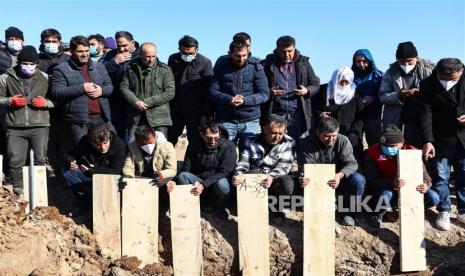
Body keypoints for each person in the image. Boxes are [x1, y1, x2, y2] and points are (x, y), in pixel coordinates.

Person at [0, 46, 53, 196]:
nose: (28, 66)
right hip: (15, 126)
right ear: (19, 62)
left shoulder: (45, 78)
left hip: (40, 125)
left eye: (32, 63)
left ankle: (38, 190)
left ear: (37, 63)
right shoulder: (6, 77)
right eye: (25, 63)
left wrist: (46, 103)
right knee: (16, 160)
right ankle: (19, 190)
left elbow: (57, 100)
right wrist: (11, 101)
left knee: (40, 159)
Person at [364, 124, 440, 228]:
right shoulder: (373, 152)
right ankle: (377, 214)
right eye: (386, 146)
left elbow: (426, 176)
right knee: (385, 195)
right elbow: (371, 180)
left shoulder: (412, 151)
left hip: (409, 189)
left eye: (393, 146)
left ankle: (407, 210)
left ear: (402, 143)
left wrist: (425, 184)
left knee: (433, 197)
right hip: (386, 189)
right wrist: (392, 182)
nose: (389, 149)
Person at [420, 57, 465, 230]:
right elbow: (425, 114)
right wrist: (428, 141)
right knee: (441, 176)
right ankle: (444, 210)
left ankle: (462, 210)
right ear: (437, 73)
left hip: (463, 137)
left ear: (460, 73)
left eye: (452, 79)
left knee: (463, 174)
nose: (447, 83)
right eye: (443, 79)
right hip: (440, 139)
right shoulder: (428, 85)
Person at [297, 116, 366, 226]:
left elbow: (352, 163)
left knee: (358, 180)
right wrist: (304, 176)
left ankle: (348, 212)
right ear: (317, 132)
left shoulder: (343, 140)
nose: (331, 140)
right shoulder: (305, 142)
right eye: (327, 136)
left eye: (334, 136)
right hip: (316, 180)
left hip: (339, 179)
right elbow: (305, 167)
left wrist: (339, 175)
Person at [50, 35, 114, 145]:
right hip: (78, 121)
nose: (84, 54)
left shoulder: (99, 67)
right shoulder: (61, 69)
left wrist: (101, 91)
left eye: (87, 50)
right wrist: (82, 88)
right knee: (82, 151)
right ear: (71, 51)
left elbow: (110, 87)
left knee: (107, 148)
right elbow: (57, 92)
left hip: (102, 118)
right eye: (80, 51)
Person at [167, 120, 237, 219]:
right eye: (209, 139)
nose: (213, 142)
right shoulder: (193, 146)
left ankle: (221, 207)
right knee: (183, 176)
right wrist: (174, 181)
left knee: (223, 184)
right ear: (202, 135)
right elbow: (186, 168)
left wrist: (204, 184)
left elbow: (225, 171)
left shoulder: (229, 146)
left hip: (216, 182)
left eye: (216, 138)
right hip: (198, 182)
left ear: (220, 133)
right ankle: (193, 206)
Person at [232, 114, 295, 224]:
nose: (277, 137)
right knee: (248, 176)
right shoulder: (249, 140)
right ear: (264, 129)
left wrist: (271, 176)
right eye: (274, 133)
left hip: (275, 176)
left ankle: (276, 209)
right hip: (256, 175)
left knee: (287, 184)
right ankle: (252, 209)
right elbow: (244, 160)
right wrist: (239, 173)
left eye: (281, 133)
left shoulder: (290, 142)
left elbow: (284, 166)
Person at [209, 40, 270, 142]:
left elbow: (264, 94)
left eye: (244, 55)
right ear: (230, 54)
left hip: (250, 120)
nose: (241, 59)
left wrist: (245, 100)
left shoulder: (255, 67)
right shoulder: (221, 66)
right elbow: (212, 91)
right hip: (226, 120)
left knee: (249, 155)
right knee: (226, 154)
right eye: (237, 56)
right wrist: (229, 99)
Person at [261, 35, 320, 139]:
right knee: (276, 143)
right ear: (277, 50)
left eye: (290, 51)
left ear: (294, 48)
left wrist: (306, 91)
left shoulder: (304, 63)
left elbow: (315, 84)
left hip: (297, 112)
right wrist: (269, 92)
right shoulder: (269, 63)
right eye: (283, 51)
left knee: (299, 143)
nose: (287, 54)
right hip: (275, 112)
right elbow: (260, 85)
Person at [63, 123, 126, 217]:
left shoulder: (119, 145)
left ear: (108, 138)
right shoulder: (84, 142)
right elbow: (69, 154)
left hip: (111, 181)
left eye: (105, 143)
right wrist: (70, 161)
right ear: (90, 142)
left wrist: (95, 170)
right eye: (98, 145)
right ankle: (84, 202)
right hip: (89, 174)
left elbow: (116, 171)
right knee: (68, 172)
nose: (103, 147)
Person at [379, 41, 434, 148]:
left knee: (419, 146)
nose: (406, 65)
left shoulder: (427, 71)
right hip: (396, 116)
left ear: (417, 58)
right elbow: (382, 95)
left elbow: (434, 92)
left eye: (409, 61)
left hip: (420, 114)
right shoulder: (390, 73)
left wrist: (420, 92)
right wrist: (399, 95)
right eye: (402, 62)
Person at [120, 42, 175, 141]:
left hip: (159, 118)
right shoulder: (130, 68)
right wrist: (135, 101)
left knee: (160, 147)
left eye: (153, 56)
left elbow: (170, 92)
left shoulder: (164, 70)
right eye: (148, 56)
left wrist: (146, 102)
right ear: (140, 55)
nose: (151, 59)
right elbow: (124, 87)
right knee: (134, 147)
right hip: (135, 116)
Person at [167, 35, 213, 145]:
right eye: (184, 53)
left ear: (197, 49)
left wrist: (207, 112)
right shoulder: (173, 59)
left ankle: (191, 162)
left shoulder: (205, 62)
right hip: (175, 108)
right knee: (170, 137)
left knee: (195, 140)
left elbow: (208, 89)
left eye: (191, 53)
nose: (187, 56)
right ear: (179, 49)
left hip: (195, 110)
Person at [312, 66, 364, 159]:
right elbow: (313, 107)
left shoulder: (355, 93)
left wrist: (354, 132)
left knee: (351, 157)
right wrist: (320, 114)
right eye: (341, 81)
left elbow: (361, 115)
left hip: (349, 131)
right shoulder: (323, 91)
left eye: (346, 82)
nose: (343, 84)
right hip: (327, 132)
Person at [103, 31, 139, 140]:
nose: (122, 49)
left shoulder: (141, 55)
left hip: (134, 102)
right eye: (119, 46)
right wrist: (114, 62)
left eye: (125, 45)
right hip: (115, 102)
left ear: (132, 43)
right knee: (115, 135)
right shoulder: (111, 55)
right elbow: (100, 72)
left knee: (133, 136)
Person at [351, 49, 384, 146]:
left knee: (375, 144)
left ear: (369, 61)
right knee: (355, 143)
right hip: (355, 117)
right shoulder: (350, 75)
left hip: (373, 116)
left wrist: (373, 99)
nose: (361, 64)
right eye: (358, 61)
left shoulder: (379, 75)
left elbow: (385, 94)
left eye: (364, 61)